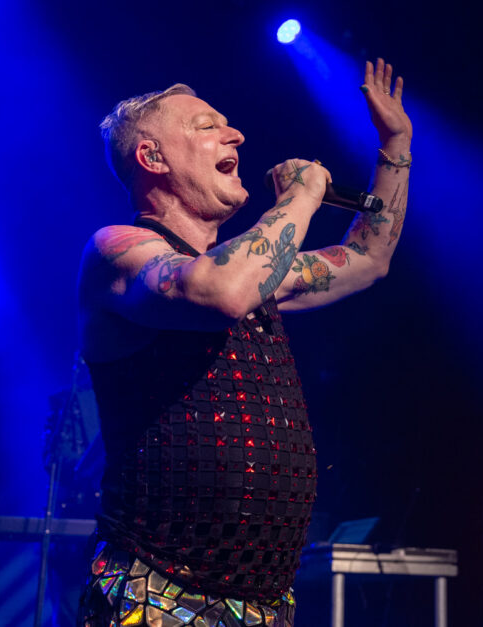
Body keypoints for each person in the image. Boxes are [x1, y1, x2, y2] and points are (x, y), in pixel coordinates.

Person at [75, 58, 411, 627]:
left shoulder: (256, 275)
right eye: (207, 126)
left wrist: (395, 145)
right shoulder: (116, 249)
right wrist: (300, 197)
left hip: (262, 606)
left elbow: (367, 258)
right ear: (152, 157)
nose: (236, 135)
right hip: (156, 596)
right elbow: (221, 290)